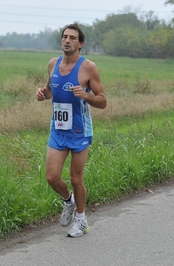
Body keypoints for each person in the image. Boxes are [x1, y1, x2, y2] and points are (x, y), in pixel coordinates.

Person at [36, 23, 107, 237]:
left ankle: (82, 220)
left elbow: (103, 101)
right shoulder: (53, 64)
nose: (67, 40)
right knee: (51, 177)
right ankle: (69, 201)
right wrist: (42, 94)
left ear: (80, 43)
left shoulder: (88, 68)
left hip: (79, 130)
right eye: (64, 37)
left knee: (76, 178)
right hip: (58, 129)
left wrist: (86, 96)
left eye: (72, 38)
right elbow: (51, 92)